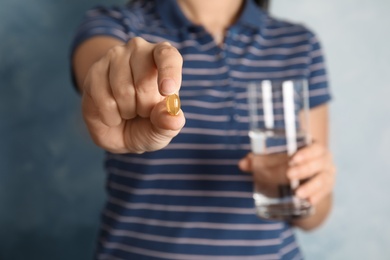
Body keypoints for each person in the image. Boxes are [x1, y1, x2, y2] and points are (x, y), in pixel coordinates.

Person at [71, 0, 336, 259]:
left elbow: (316, 213)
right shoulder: (116, 25)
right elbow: (101, 66)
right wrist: (115, 80)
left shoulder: (300, 44)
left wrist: (301, 188)